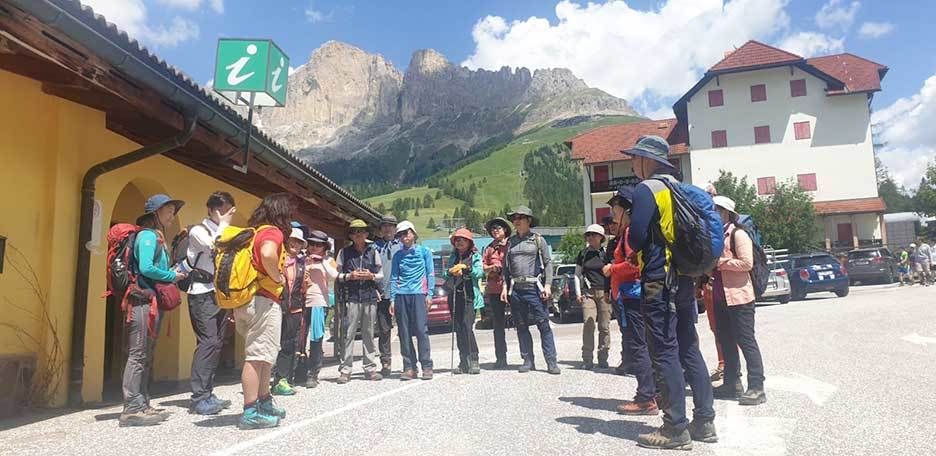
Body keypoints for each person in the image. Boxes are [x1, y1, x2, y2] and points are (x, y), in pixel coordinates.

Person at [627, 135, 715, 449]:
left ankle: (674, 428)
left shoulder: (647, 189)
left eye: (634, 158)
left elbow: (636, 238)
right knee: (689, 346)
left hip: (658, 280)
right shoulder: (681, 189)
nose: (631, 163)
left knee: (663, 351)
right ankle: (704, 420)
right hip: (683, 278)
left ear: (646, 160)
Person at [119, 195, 186, 427]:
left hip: (149, 301)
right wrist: (172, 276)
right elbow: (147, 268)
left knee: (146, 353)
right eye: (168, 211)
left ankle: (143, 402)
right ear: (155, 213)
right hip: (142, 301)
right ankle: (131, 408)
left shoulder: (155, 236)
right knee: (138, 354)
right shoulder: (147, 236)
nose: (172, 215)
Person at [234, 193, 293, 430]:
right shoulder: (272, 232)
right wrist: (277, 276)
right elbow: (269, 254)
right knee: (257, 356)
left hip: (247, 299)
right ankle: (250, 411)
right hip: (263, 300)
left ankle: (264, 400)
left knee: (265, 354)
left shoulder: (252, 232)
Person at [603, 187, 658, 416]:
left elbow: (633, 265)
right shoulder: (628, 233)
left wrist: (611, 268)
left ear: (625, 209)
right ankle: (653, 393)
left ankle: (646, 397)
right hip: (630, 296)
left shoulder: (628, 235)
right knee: (641, 344)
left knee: (638, 346)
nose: (613, 214)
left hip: (631, 297)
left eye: (615, 208)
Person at [183, 191, 235, 415]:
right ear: (213, 210)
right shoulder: (198, 231)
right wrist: (224, 224)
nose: (229, 216)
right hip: (201, 292)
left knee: (217, 343)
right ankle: (198, 398)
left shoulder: (220, 230)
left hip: (218, 293)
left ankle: (208, 393)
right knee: (207, 342)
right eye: (225, 211)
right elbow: (218, 247)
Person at [711, 196, 767, 406]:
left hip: (740, 297)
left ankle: (757, 386)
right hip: (721, 296)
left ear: (726, 212)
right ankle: (732, 383)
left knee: (746, 340)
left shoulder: (738, 234)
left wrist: (721, 262)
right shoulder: (718, 235)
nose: (713, 213)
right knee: (725, 340)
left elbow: (746, 263)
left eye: (716, 210)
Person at [500, 205, 560, 375]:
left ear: (529, 221)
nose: (516, 222)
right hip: (516, 290)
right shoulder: (510, 242)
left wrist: (547, 285)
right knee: (521, 326)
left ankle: (551, 361)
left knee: (543, 325)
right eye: (514, 219)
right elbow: (506, 268)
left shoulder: (538, 240)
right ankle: (527, 360)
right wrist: (505, 287)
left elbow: (548, 263)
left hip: (535, 288)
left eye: (520, 218)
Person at [335, 219, 384, 384]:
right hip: (351, 297)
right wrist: (350, 276)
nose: (358, 234)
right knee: (348, 334)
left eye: (361, 231)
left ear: (366, 234)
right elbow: (337, 275)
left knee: (368, 334)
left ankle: (370, 368)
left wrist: (371, 276)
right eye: (355, 231)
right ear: (350, 235)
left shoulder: (373, 251)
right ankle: (345, 370)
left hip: (369, 297)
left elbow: (381, 274)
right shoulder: (344, 252)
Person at [390, 220, 435, 380]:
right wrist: (392, 298)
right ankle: (409, 366)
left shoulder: (424, 252)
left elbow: (430, 273)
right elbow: (394, 277)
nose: (404, 237)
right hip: (402, 294)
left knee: (421, 330)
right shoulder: (397, 255)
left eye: (406, 233)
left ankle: (427, 366)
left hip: (419, 294)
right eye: (400, 235)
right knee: (404, 332)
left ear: (413, 233)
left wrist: (429, 294)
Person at [271, 227, 309, 395]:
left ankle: (282, 379)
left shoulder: (302, 263)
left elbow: (303, 286)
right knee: (271, 343)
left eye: (299, 242)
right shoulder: (276, 258)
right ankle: (267, 379)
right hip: (276, 305)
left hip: (294, 307)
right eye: (293, 240)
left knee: (288, 344)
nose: (295, 244)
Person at [299, 230, 338, 388]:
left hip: (318, 301)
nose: (314, 247)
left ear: (324, 247)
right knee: (299, 338)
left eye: (319, 244)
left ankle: (313, 373)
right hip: (300, 301)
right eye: (312, 243)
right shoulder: (301, 258)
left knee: (316, 338)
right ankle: (299, 369)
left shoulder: (328, 260)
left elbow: (334, 275)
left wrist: (320, 261)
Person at [445, 228, 484, 375]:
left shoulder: (475, 256)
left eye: (463, 239)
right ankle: (463, 362)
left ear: (469, 242)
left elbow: (480, 272)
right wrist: (450, 272)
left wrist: (466, 268)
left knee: (467, 328)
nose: (459, 242)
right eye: (457, 240)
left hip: (470, 297)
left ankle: (474, 360)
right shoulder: (453, 256)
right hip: (455, 296)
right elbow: (445, 273)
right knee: (459, 329)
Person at [576, 224, 611, 370]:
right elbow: (577, 275)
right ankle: (587, 359)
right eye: (588, 235)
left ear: (601, 237)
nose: (591, 237)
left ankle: (603, 358)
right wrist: (578, 292)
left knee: (604, 326)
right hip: (588, 293)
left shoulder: (607, 253)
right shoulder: (583, 254)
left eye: (594, 235)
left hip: (604, 293)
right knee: (588, 323)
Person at [373, 215, 402, 376]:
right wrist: (374, 288)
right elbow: (371, 269)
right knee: (384, 330)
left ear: (395, 228)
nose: (387, 228)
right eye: (384, 226)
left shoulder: (401, 245)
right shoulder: (374, 247)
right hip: (382, 294)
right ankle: (386, 362)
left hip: (400, 294)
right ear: (380, 229)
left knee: (405, 328)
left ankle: (409, 361)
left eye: (391, 225)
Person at [482, 217, 511, 369]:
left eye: (498, 227)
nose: (495, 230)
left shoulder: (511, 245)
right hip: (494, 290)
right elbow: (482, 266)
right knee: (498, 326)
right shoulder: (488, 248)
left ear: (505, 229)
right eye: (492, 228)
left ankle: (527, 357)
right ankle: (501, 358)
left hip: (512, 289)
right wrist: (492, 268)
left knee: (521, 322)